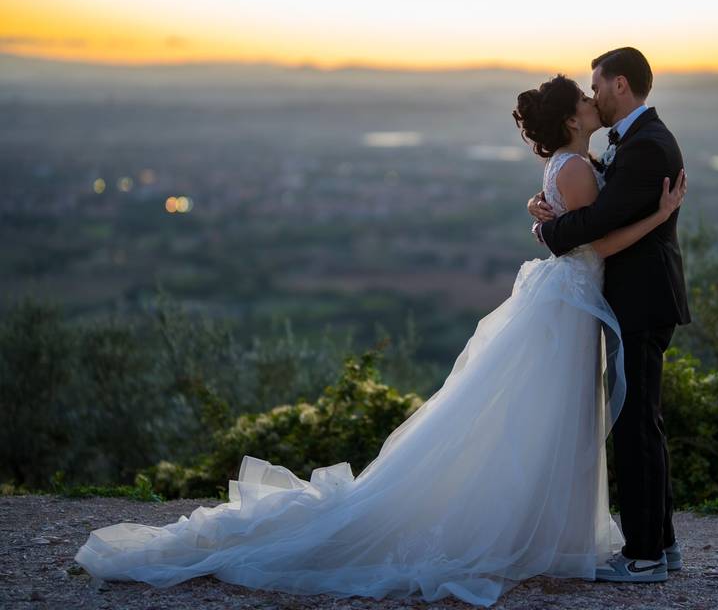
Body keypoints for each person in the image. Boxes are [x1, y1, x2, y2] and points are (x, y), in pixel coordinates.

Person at [73, 74, 686, 607]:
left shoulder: (570, 165)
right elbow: (589, 242)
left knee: (544, 419)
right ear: (572, 117)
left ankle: (560, 529)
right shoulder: (576, 166)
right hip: (571, 302)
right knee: (549, 419)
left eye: (592, 90)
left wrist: (554, 216)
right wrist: (660, 217)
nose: (591, 99)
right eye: (584, 97)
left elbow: (573, 224)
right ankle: (545, 531)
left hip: (568, 302)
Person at [527, 47, 691, 583]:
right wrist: (544, 203)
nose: (592, 93)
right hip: (631, 298)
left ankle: (643, 556)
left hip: (641, 300)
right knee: (641, 422)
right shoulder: (637, 142)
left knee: (636, 426)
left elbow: (595, 225)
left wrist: (545, 230)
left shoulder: (647, 146)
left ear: (620, 85)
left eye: (596, 84)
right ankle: (660, 545)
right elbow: (592, 195)